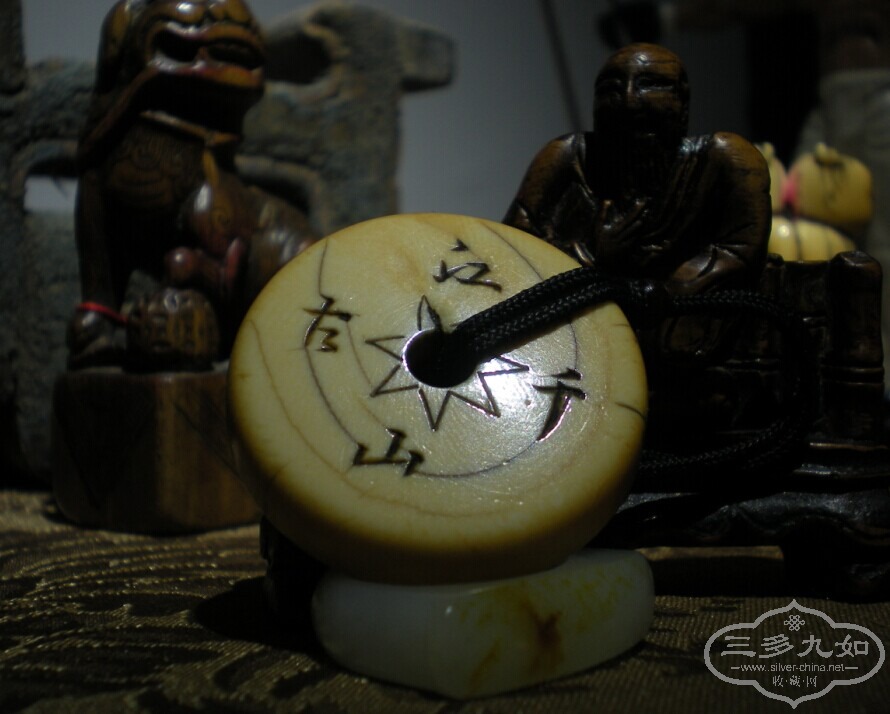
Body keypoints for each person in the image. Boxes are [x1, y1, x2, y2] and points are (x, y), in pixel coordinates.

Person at [504, 43, 771, 361]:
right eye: (611, 88)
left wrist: (663, 293)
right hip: (579, 342)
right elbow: (511, 249)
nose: (629, 100)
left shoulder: (725, 160)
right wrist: (593, 255)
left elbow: (739, 251)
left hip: (687, 332)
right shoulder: (567, 158)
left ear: (682, 100)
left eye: (650, 84)